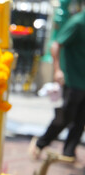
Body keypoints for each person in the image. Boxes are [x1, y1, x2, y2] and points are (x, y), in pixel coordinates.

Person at [30, 10, 85, 162]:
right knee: (65, 117)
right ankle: (41, 143)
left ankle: (69, 152)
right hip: (73, 80)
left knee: (80, 120)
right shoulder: (78, 23)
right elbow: (56, 45)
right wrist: (57, 69)